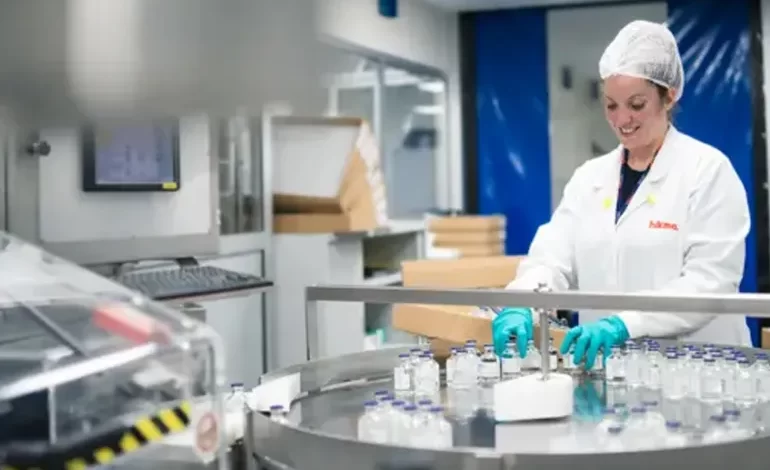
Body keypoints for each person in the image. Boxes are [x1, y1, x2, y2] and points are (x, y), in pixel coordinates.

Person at [492, 20, 752, 369]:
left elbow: (710, 282)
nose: (622, 119)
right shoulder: (590, 178)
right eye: (611, 105)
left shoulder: (707, 171)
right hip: (611, 371)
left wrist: (625, 324)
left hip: (700, 371)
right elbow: (553, 258)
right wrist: (524, 300)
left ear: (670, 95)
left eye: (637, 104)